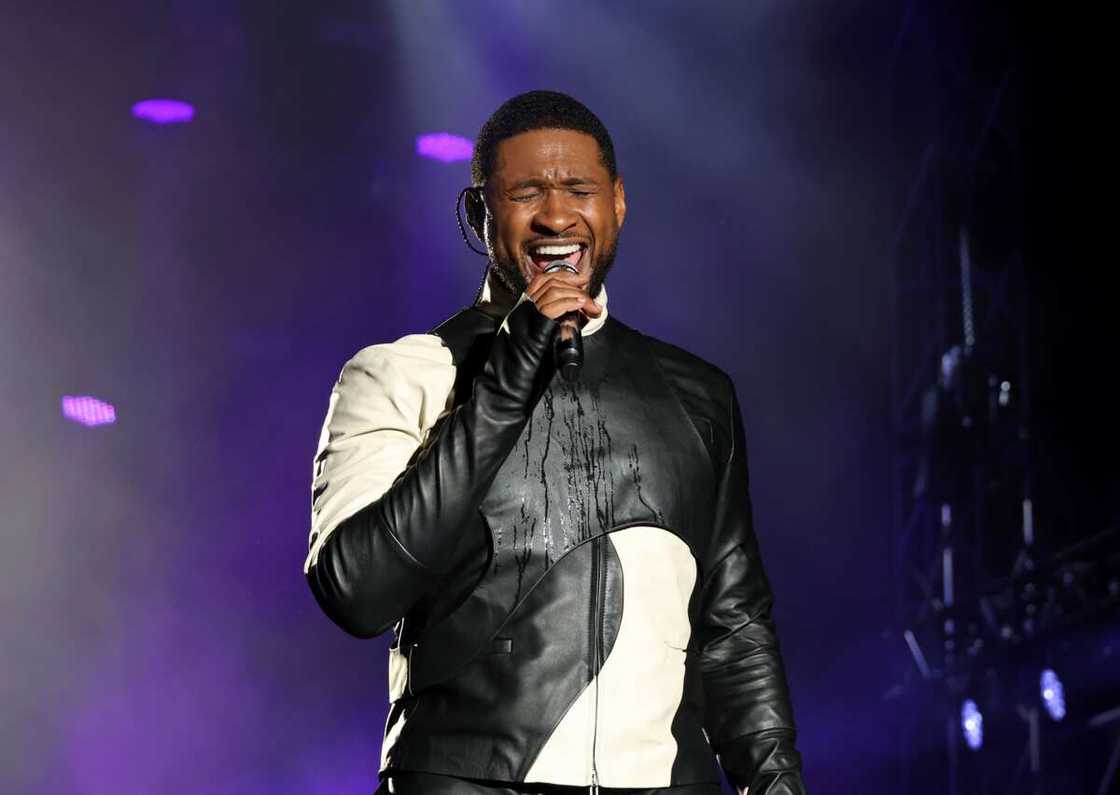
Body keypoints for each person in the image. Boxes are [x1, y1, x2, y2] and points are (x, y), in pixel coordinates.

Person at [304, 90, 807, 795]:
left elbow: (734, 626)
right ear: (480, 214)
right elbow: (355, 588)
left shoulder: (698, 394)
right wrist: (507, 376)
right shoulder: (402, 372)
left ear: (618, 203)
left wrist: (776, 784)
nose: (557, 216)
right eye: (525, 192)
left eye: (580, 190)